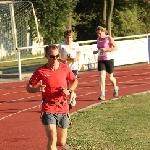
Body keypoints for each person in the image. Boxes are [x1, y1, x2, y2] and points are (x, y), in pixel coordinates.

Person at [26, 44, 78, 150]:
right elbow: (28, 86)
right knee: (52, 138)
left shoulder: (65, 68)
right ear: (46, 56)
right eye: (52, 56)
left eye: (57, 56)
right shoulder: (41, 71)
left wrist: (69, 90)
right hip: (48, 107)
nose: (55, 59)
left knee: (61, 142)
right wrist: (36, 89)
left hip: (63, 107)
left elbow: (74, 81)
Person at [93, 26, 119, 100]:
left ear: (104, 32)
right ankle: (102, 94)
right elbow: (99, 48)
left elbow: (116, 47)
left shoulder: (108, 38)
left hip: (109, 59)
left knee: (110, 77)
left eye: (99, 33)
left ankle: (115, 87)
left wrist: (107, 49)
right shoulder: (98, 39)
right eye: (97, 33)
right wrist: (96, 51)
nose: (98, 35)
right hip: (101, 60)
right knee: (101, 77)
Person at [58, 29, 81, 109]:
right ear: (65, 37)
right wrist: (61, 60)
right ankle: (73, 96)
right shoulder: (61, 46)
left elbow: (79, 52)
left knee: (72, 84)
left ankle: (70, 102)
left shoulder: (75, 45)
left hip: (73, 67)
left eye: (70, 37)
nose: (69, 39)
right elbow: (56, 55)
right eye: (67, 37)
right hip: (64, 68)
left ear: (72, 37)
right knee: (66, 85)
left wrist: (76, 58)